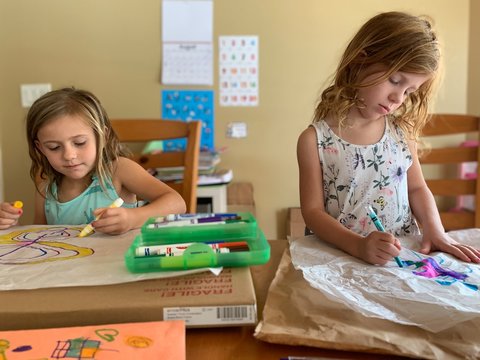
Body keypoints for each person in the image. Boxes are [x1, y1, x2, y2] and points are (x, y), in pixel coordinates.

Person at [297, 11, 480, 265]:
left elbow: (417, 188)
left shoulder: (401, 134)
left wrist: (436, 230)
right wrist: (359, 246)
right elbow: (312, 212)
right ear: (361, 60)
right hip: (342, 260)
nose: (398, 98)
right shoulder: (314, 140)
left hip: (400, 260)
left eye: (409, 91)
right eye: (395, 80)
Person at [0, 87, 186, 233]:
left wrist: (133, 218)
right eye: (54, 147)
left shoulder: (119, 171)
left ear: (102, 137)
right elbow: (41, 238)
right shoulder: (45, 189)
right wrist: (14, 225)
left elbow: (177, 203)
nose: (69, 155)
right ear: (40, 148)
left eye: (79, 143)